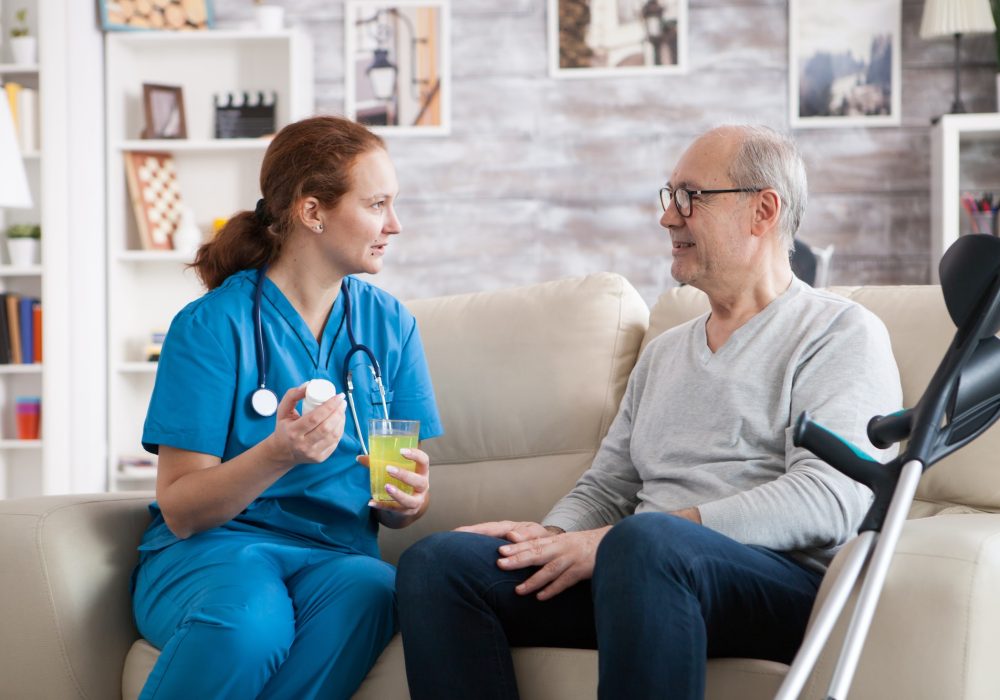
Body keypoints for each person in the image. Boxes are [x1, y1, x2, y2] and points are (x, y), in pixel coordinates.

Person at [395, 125, 902, 700]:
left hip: (775, 583)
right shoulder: (665, 353)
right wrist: (553, 537)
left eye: (691, 197)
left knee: (646, 542)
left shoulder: (839, 332)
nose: (668, 218)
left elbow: (830, 498)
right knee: (439, 564)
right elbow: (609, 486)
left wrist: (622, 539)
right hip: (638, 573)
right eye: (669, 196)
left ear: (762, 210)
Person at [131, 115, 443, 700]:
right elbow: (181, 509)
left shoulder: (390, 324)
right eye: (377, 204)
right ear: (312, 211)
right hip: (212, 550)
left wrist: (408, 500)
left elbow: (395, 505)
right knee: (250, 625)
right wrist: (277, 454)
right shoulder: (211, 327)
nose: (395, 225)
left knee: (375, 589)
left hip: (337, 555)